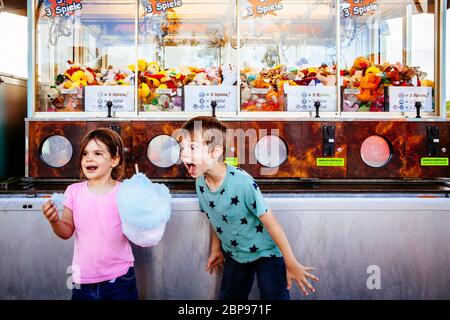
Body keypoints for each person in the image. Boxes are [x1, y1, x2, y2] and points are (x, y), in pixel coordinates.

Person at [178, 116, 319, 300]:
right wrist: (216, 249)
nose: (183, 155)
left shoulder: (242, 182)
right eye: (182, 148)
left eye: (192, 148)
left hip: (266, 253)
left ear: (215, 151)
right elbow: (215, 216)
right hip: (236, 254)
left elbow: (272, 224)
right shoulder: (200, 183)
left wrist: (290, 263)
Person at [42, 128, 138, 300]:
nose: (89, 158)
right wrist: (54, 221)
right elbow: (66, 231)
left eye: (97, 153)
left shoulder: (126, 192)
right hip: (82, 279)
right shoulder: (73, 192)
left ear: (114, 160)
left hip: (120, 278)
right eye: (85, 153)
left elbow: (138, 231)